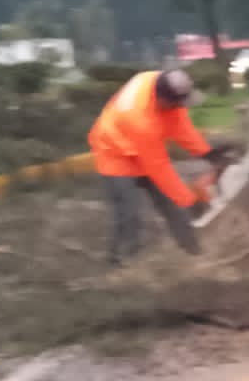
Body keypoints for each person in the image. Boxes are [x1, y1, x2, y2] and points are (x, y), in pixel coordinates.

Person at [88, 68, 232, 265]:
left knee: (172, 205)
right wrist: (190, 201)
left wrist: (207, 153)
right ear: (163, 100)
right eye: (178, 103)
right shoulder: (140, 120)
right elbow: (159, 169)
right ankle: (123, 263)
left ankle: (193, 253)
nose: (181, 106)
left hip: (141, 146)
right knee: (128, 213)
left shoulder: (159, 83)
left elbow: (180, 126)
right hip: (114, 152)